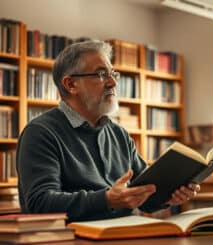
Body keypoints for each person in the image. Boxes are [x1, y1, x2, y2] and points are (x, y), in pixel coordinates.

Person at [16, 40, 200, 222]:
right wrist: (106, 199)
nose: (112, 82)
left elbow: (143, 196)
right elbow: (40, 203)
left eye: (113, 74)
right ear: (71, 85)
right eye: (101, 74)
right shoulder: (40, 133)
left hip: (124, 236)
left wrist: (168, 196)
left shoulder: (119, 134)